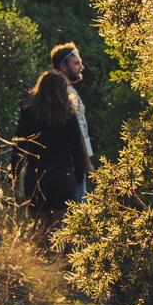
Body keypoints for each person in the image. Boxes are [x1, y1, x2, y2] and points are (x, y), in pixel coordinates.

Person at [11, 67, 90, 219]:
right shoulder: (69, 114)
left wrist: (14, 175)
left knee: (39, 227)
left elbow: (19, 146)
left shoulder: (29, 113)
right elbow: (77, 148)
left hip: (36, 177)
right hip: (63, 177)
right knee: (59, 227)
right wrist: (79, 176)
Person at [51, 42, 92, 198]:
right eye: (76, 63)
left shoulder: (53, 91)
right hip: (73, 162)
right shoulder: (67, 94)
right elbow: (77, 132)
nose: (81, 67)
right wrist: (87, 164)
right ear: (63, 66)